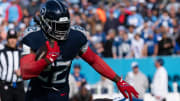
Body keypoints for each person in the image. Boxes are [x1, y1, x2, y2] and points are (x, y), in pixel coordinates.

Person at [20, 1, 138, 101]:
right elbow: (25, 72)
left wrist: (118, 80)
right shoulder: (34, 36)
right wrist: (47, 60)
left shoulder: (75, 37)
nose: (64, 30)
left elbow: (94, 60)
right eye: (59, 26)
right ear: (46, 24)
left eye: (65, 25)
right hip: (37, 93)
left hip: (60, 93)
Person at [0, 29, 25, 101]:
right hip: (5, 86)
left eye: (14, 38)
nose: (12, 40)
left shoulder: (22, 53)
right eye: (10, 38)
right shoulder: (1, 53)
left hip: (19, 85)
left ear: (17, 39)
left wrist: (23, 71)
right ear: (7, 39)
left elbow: (29, 67)